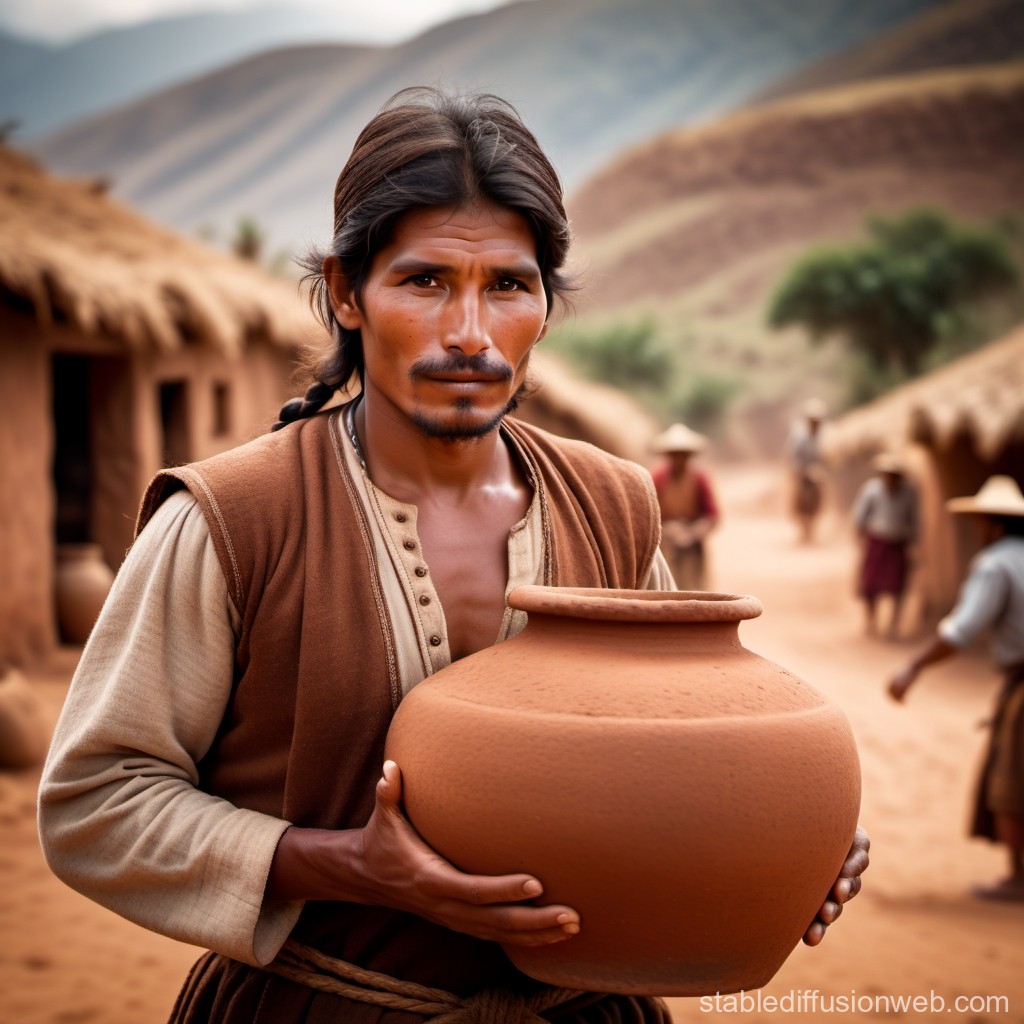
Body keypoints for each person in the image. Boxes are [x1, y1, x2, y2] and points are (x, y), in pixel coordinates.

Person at [38, 87, 869, 1023]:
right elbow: (95, 801)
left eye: (508, 285)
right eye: (425, 281)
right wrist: (345, 867)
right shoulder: (235, 520)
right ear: (349, 295)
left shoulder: (613, 507)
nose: (470, 334)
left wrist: (784, 834)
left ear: (546, 306)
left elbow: (677, 741)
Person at [888, 474, 1024, 902]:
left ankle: (1019, 877)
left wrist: (913, 667)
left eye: (983, 523)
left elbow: (960, 631)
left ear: (995, 525)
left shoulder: (994, 564)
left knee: (1011, 778)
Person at [852, 451, 920, 639]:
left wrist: (914, 543)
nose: (889, 478)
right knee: (870, 585)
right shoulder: (872, 490)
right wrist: (859, 536)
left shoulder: (909, 493)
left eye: (893, 475)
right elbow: (860, 515)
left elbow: (914, 520)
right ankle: (871, 621)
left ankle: (893, 625)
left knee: (897, 586)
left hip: (898, 544)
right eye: (886, 474)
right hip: (877, 541)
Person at [650, 422, 719, 590]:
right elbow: (649, 514)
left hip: (693, 542)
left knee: (694, 587)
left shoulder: (700, 478)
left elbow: (712, 515)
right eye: (675, 454)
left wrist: (691, 533)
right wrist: (667, 529)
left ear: (689, 455)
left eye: (683, 454)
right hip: (665, 540)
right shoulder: (657, 477)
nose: (679, 458)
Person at [787, 398, 827, 544]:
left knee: (816, 504)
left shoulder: (824, 434)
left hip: (817, 474)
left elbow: (826, 455)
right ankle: (804, 530)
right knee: (801, 503)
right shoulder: (799, 435)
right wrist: (803, 472)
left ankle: (811, 530)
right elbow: (794, 456)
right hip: (802, 474)